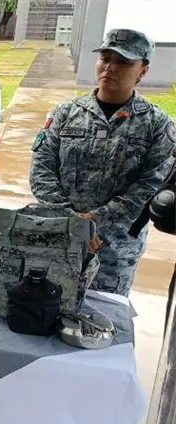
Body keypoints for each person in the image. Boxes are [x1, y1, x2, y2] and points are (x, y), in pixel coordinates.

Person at [29, 28, 175, 297]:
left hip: (114, 252)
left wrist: (95, 220)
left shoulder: (157, 124)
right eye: (105, 58)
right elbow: (42, 170)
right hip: (60, 238)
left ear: (143, 70)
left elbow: (150, 186)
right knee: (44, 313)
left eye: (123, 62)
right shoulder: (66, 113)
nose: (110, 67)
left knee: (103, 324)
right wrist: (72, 220)